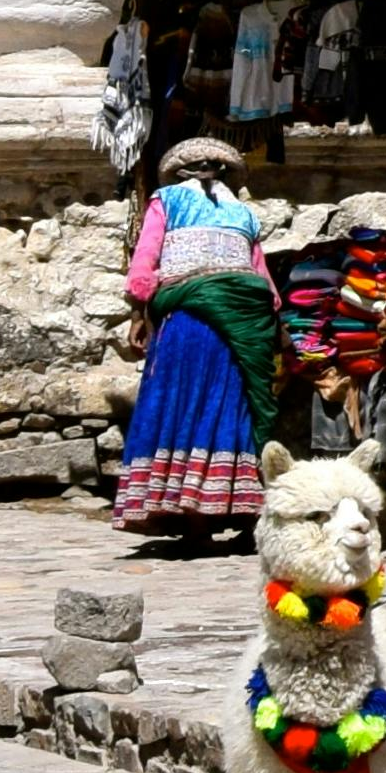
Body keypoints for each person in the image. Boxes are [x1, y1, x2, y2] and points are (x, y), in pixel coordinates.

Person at [114, 135, 280, 531]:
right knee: (228, 402)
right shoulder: (245, 213)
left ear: (178, 172)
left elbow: (145, 261)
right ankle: (227, 499)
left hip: (186, 321)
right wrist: (269, 323)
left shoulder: (165, 202)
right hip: (240, 322)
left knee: (178, 399)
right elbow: (264, 282)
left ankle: (178, 499)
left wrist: (139, 313)